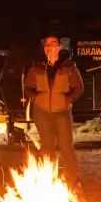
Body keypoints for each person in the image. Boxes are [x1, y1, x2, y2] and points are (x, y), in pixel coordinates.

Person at [23, 33, 84, 187]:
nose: (49, 47)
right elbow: (28, 87)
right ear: (44, 48)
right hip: (42, 112)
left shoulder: (69, 66)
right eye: (47, 45)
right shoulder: (37, 66)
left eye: (53, 44)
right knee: (47, 147)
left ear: (59, 47)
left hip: (62, 113)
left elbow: (79, 88)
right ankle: (47, 181)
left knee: (66, 147)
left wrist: (66, 100)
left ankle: (74, 182)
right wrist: (36, 99)